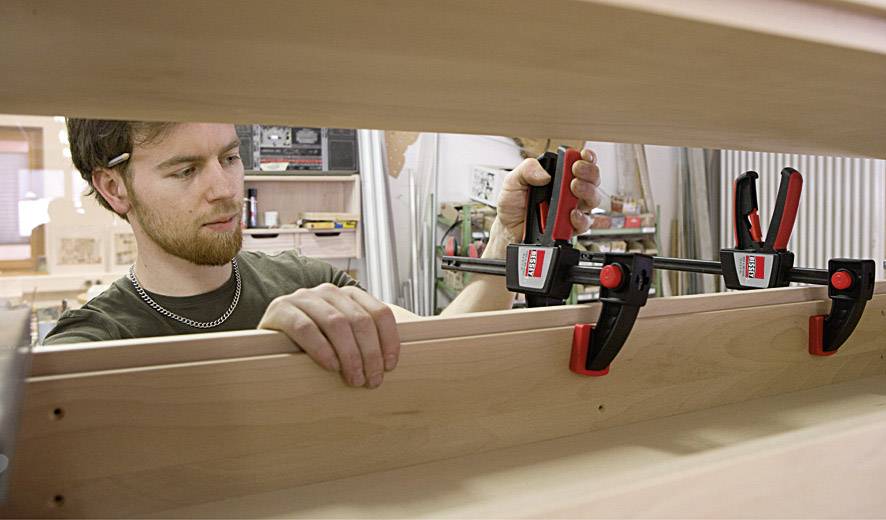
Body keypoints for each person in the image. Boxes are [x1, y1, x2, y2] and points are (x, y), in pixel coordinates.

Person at [45, 121, 601, 388]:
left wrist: (510, 236)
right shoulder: (86, 346)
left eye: (231, 158)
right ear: (114, 188)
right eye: (186, 170)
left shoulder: (308, 279)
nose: (225, 189)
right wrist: (266, 353)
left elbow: (442, 355)